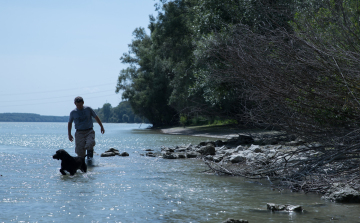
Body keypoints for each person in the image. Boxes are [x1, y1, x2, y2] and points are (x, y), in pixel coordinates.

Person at [68, 96, 105, 164]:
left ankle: (90, 161)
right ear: (75, 104)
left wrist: (101, 126)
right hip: (79, 133)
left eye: (80, 105)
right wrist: (69, 134)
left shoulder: (88, 109)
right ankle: (82, 166)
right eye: (77, 105)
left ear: (83, 102)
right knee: (80, 152)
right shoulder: (73, 112)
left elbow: (96, 117)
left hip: (89, 131)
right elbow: (69, 123)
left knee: (90, 144)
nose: (79, 106)